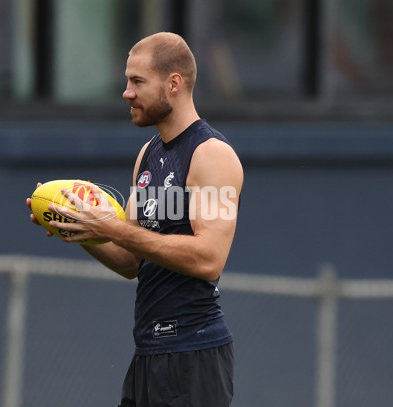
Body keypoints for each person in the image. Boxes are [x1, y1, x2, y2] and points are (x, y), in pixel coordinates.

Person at [27, 32, 243, 407]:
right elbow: (131, 261)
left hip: (193, 354)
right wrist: (81, 228)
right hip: (148, 353)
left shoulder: (212, 155)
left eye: (137, 82)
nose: (126, 92)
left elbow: (210, 259)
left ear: (173, 84)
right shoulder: (147, 155)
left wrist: (110, 227)